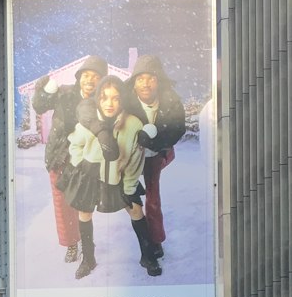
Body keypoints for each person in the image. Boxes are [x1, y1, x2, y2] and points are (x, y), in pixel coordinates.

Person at [63, 74, 155, 280]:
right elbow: (74, 144)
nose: (109, 103)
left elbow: (135, 159)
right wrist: (82, 163)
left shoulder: (133, 124)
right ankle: (88, 258)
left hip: (119, 176)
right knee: (84, 213)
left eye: (115, 98)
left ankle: (147, 256)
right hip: (90, 176)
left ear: (122, 99)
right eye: (104, 97)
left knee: (136, 210)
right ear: (98, 99)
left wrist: (129, 185)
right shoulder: (90, 121)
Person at [30, 56, 108, 265]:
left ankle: (85, 241)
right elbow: (40, 106)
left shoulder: (103, 101)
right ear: (79, 77)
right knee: (61, 203)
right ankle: (71, 244)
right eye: (86, 75)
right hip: (59, 157)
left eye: (96, 76)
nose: (90, 80)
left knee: (83, 202)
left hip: (85, 159)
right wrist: (42, 91)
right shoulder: (64, 93)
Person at [124, 54, 186, 252]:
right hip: (129, 157)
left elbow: (177, 129)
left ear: (159, 82)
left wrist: (156, 142)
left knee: (153, 198)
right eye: (140, 78)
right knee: (129, 196)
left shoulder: (170, 101)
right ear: (134, 83)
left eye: (151, 78)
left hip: (154, 156)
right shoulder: (125, 101)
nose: (146, 83)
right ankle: (141, 233)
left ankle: (156, 240)